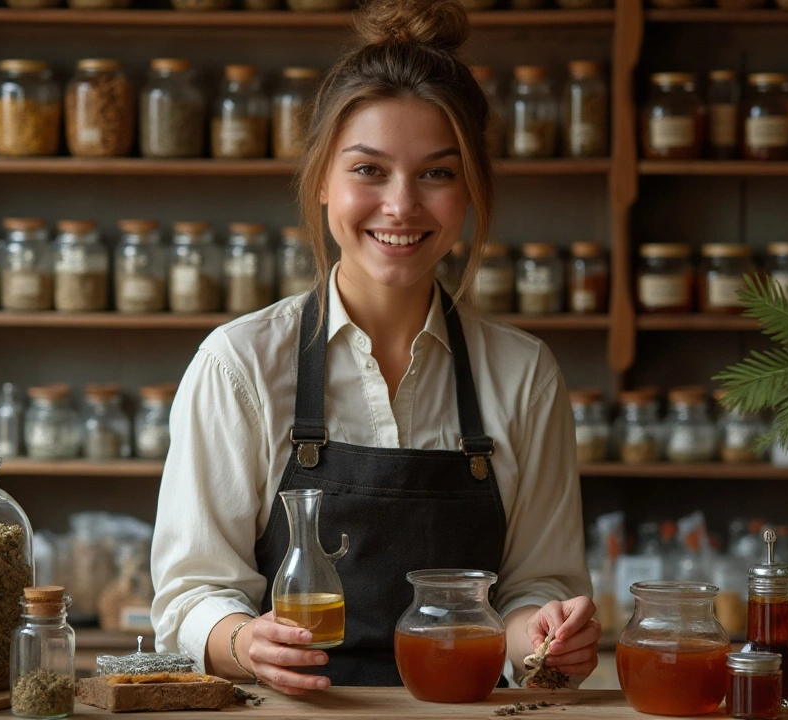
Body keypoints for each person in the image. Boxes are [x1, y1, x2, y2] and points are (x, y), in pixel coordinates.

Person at [151, 0, 599, 695]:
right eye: (369, 170)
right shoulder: (239, 365)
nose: (401, 205)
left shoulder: (523, 374)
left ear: (471, 188)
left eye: (437, 173)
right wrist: (242, 640)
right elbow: (190, 595)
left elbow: (533, 585)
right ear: (323, 177)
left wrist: (542, 632)